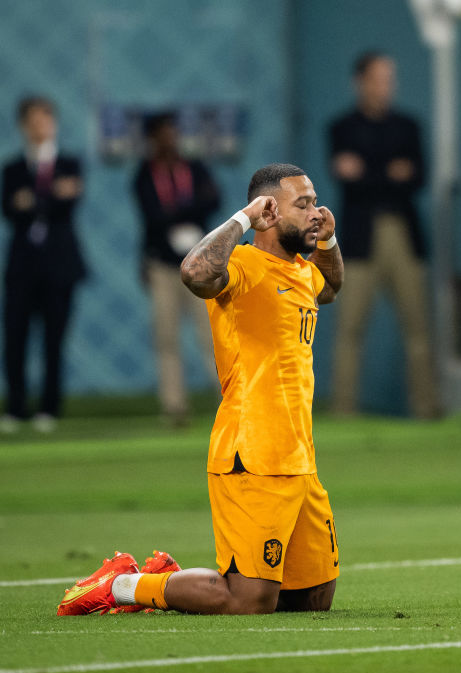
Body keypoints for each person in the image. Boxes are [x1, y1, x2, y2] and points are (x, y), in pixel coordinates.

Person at [57, 163, 344, 615]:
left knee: (312, 599)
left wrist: (327, 239)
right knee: (247, 600)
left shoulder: (301, 272)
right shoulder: (244, 266)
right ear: (270, 211)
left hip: (299, 459)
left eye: (315, 201)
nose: (315, 212)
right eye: (302, 205)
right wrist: (243, 218)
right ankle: (124, 586)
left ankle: (162, 580)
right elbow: (192, 272)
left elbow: (330, 288)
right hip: (252, 456)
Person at [328, 51, 439, 418]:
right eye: (378, 79)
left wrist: (367, 172)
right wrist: (389, 174)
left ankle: (426, 407)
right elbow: (348, 180)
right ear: (359, 81)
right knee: (350, 328)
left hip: (402, 234)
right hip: (361, 238)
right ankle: (344, 409)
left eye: (389, 79)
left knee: (418, 327)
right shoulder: (341, 127)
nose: (385, 87)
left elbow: (417, 178)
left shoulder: (407, 126)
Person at [0, 96, 86, 434]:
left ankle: (49, 408)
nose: (39, 127)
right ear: (23, 126)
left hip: (60, 267)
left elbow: (68, 207)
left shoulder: (70, 163)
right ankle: (14, 408)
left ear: (54, 124)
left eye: (45, 120)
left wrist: (32, 199)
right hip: (21, 268)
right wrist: (50, 195)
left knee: (54, 341)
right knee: (15, 339)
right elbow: (9, 211)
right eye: (32, 121)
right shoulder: (11, 169)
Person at [132, 112, 221, 425]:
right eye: (163, 134)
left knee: (211, 335)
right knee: (166, 337)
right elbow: (151, 217)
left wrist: (175, 210)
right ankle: (174, 406)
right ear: (152, 139)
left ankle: (228, 398)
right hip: (162, 264)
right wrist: (184, 210)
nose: (170, 139)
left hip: (199, 263)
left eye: (173, 132)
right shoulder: (145, 173)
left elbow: (213, 200)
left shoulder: (194, 168)